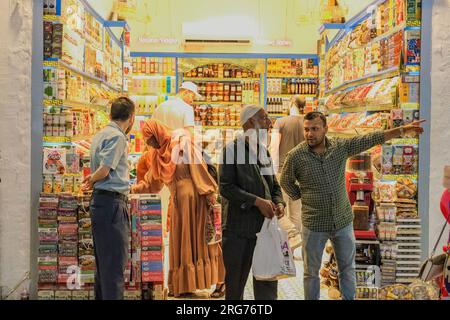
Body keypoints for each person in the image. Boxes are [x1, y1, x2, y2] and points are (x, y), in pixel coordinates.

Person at [280, 111, 425, 300]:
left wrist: (401, 130)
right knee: (310, 273)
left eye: (315, 129)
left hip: (342, 221)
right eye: (306, 129)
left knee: (347, 269)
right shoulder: (296, 156)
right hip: (313, 224)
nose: (309, 134)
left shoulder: (340, 147)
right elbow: (285, 181)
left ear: (325, 128)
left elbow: (369, 139)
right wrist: (301, 195)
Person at [131, 120, 225, 298]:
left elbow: (199, 168)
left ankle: (221, 281)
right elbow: (151, 182)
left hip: (195, 200)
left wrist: (208, 193)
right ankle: (184, 285)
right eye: (148, 141)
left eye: (151, 139)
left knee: (203, 241)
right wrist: (132, 189)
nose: (150, 143)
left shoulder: (182, 143)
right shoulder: (158, 156)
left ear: (159, 133)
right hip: (178, 204)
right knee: (181, 243)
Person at [219, 105, 286, 300]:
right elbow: (226, 187)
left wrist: (278, 202)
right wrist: (256, 202)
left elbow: (273, 185)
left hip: (264, 230)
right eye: (264, 119)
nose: (269, 123)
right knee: (235, 284)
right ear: (250, 123)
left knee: (267, 283)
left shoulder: (263, 152)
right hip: (238, 230)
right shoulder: (231, 150)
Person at [82, 97, 135, 300]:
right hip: (112, 204)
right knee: (114, 267)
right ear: (131, 117)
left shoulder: (100, 134)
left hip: (101, 203)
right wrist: (92, 178)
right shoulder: (117, 136)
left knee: (103, 267)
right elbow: (104, 169)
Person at [270, 95, 306, 252]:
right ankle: (294, 248)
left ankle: (285, 246)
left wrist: (272, 169)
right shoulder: (307, 122)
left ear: (291, 103)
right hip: (302, 172)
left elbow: (273, 147)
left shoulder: (281, 122)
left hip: (283, 170)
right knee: (296, 211)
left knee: (281, 207)